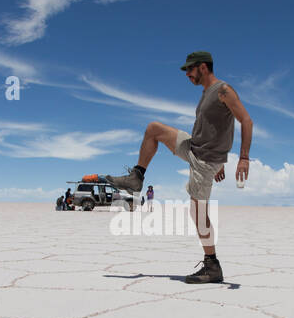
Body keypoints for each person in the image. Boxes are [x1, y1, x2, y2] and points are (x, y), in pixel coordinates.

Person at [101, 50, 253, 283]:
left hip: (204, 161)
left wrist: (242, 158)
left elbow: (245, 120)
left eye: (190, 69)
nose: (187, 74)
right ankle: (136, 177)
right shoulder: (205, 94)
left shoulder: (223, 90)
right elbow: (219, 128)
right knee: (154, 129)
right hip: (194, 147)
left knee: (197, 212)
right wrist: (221, 160)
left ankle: (212, 266)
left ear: (203, 67)